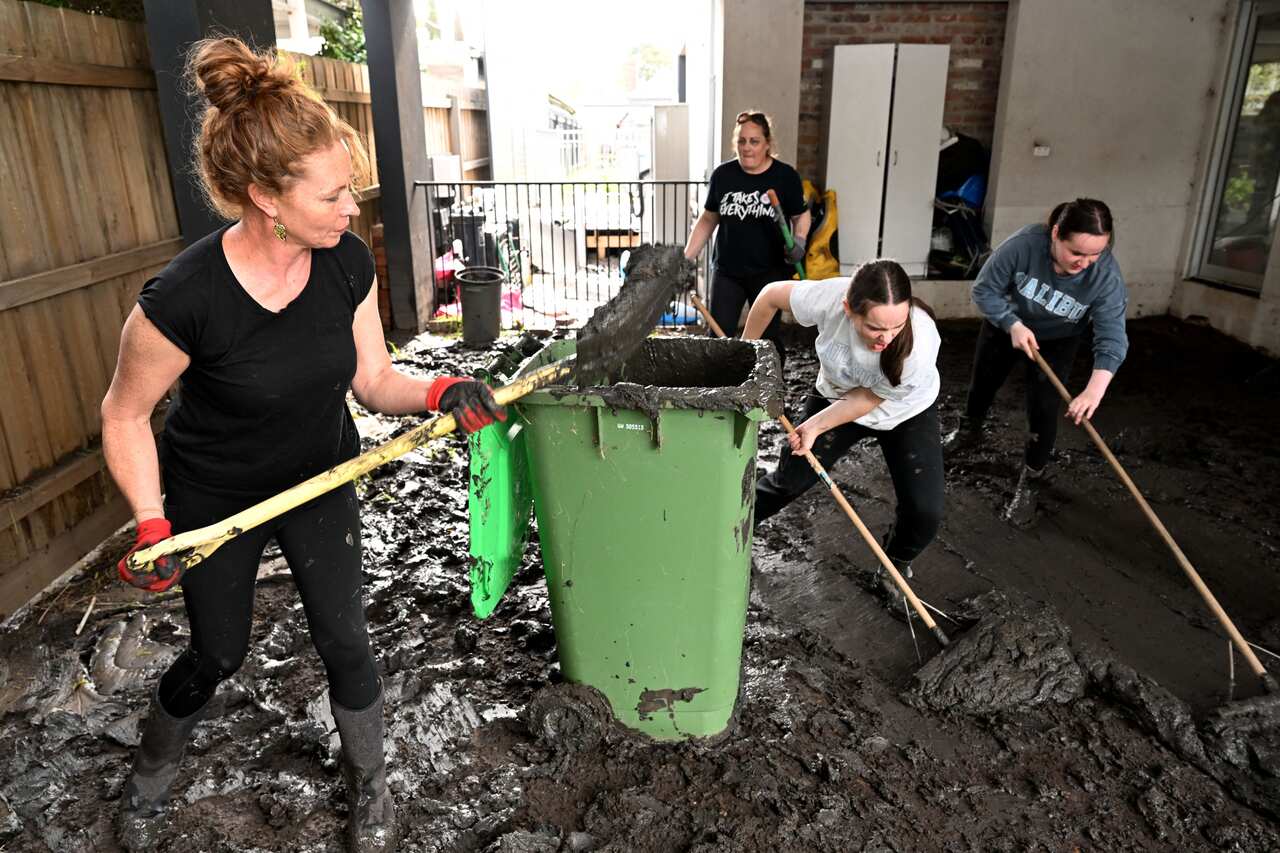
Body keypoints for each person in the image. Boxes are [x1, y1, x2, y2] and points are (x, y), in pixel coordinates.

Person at [100, 38, 504, 853]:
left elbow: (373, 379)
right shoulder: (184, 300)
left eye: (348, 188)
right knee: (218, 652)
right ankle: (146, 777)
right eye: (333, 195)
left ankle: (372, 789)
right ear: (265, 198)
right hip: (215, 495)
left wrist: (437, 391)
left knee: (346, 638)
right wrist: (152, 523)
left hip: (319, 473)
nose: (353, 208)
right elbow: (123, 415)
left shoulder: (346, 261)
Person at [748, 260, 945, 601]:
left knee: (925, 511)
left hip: (904, 412)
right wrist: (742, 357)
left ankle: (894, 565)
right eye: (874, 328)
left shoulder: (920, 344)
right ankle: (735, 533)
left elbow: (868, 398)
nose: (886, 338)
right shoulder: (829, 297)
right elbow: (768, 297)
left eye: (896, 327)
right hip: (836, 394)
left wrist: (814, 425)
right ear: (848, 310)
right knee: (789, 480)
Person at [947, 198, 1128, 527]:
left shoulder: (1105, 278)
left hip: (1059, 340)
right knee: (983, 383)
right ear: (1056, 234)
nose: (1085, 263)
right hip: (1008, 326)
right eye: (1076, 252)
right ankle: (969, 432)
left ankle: (1031, 478)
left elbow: (1113, 337)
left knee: (1044, 408)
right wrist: (1011, 323)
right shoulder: (1024, 246)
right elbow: (984, 289)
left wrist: (1093, 391)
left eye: (1095, 254)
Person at [683, 109, 809, 367]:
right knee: (719, 334)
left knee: (766, 339)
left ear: (767, 144)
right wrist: (686, 259)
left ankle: (769, 394)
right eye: (742, 141)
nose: (747, 148)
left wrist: (800, 241)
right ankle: (717, 392)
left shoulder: (785, 177)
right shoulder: (723, 175)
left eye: (754, 141)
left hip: (769, 273)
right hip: (728, 271)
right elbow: (708, 219)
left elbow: (801, 215)